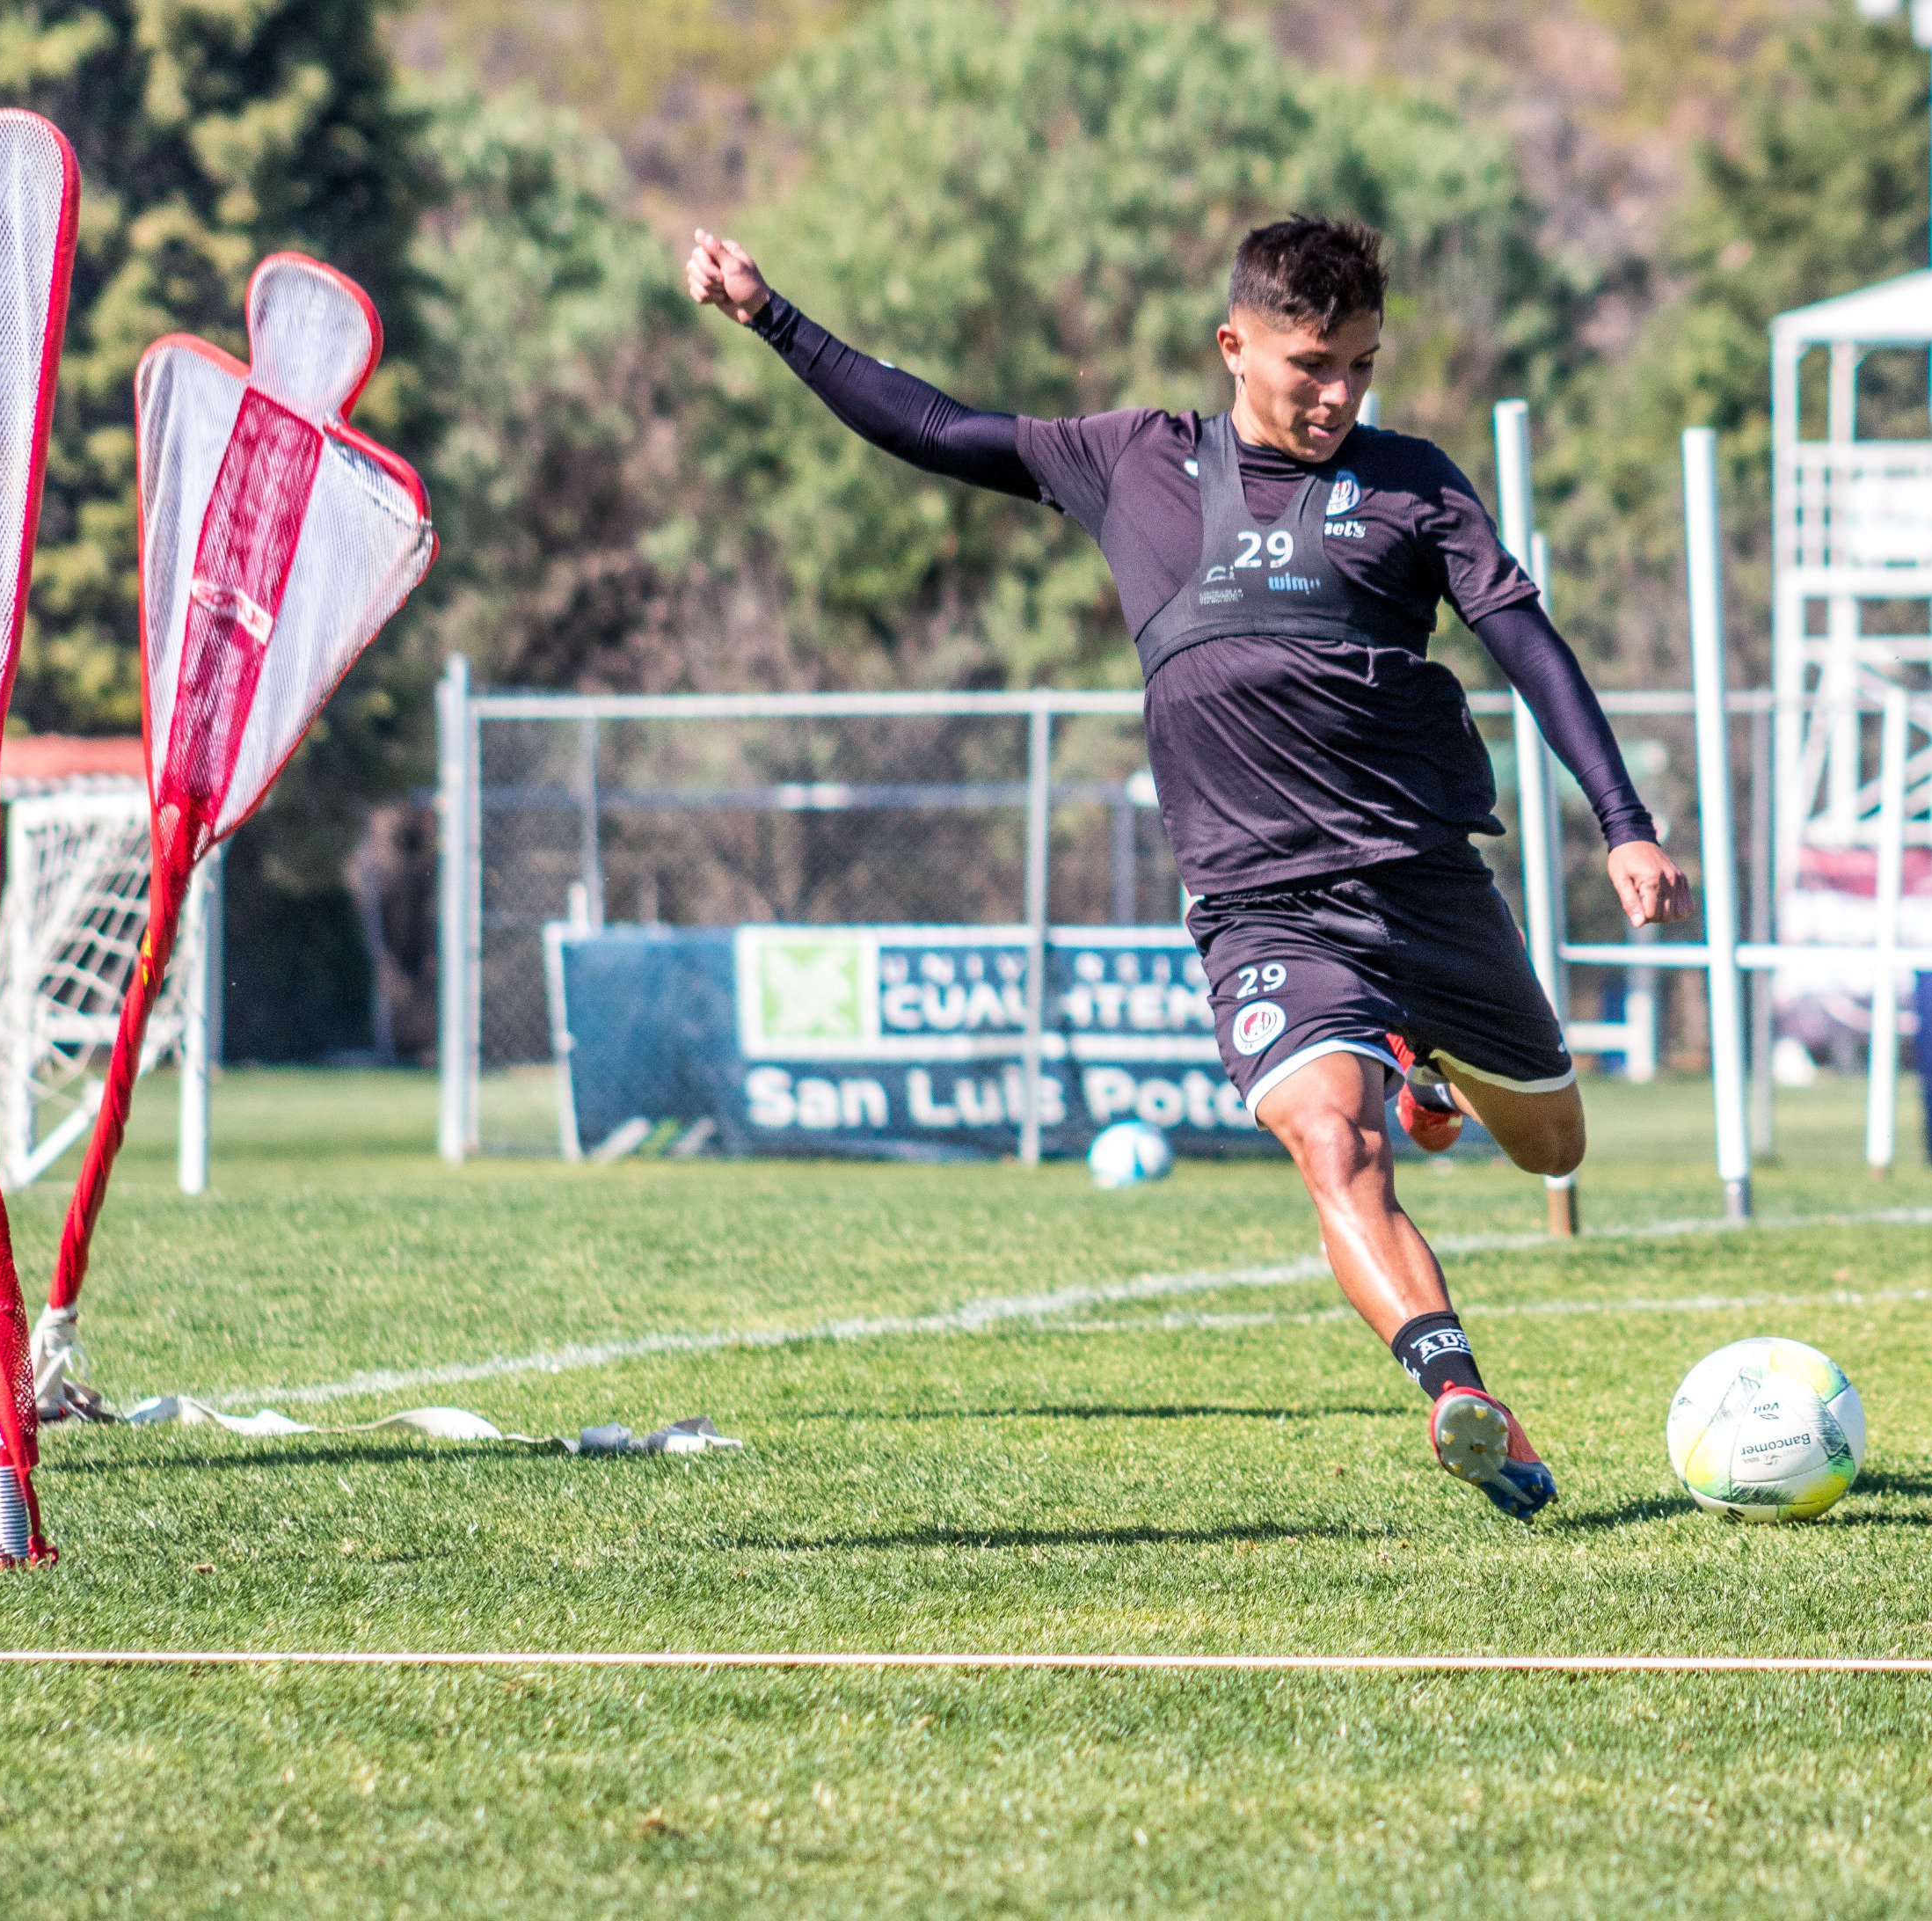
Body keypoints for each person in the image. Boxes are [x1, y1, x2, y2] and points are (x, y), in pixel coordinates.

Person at [688, 214, 1692, 1519]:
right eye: (1310, 364)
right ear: (1235, 345)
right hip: (1263, 905)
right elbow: (936, 428)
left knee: (1553, 1146)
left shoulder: (1416, 485)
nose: (1338, 395)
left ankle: (1421, 1055)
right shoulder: (1134, 465)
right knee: (1334, 1144)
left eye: (1362, 368)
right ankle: (1455, 1389)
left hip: (1424, 885)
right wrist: (774, 316)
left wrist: (1623, 820)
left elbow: (1528, 646)